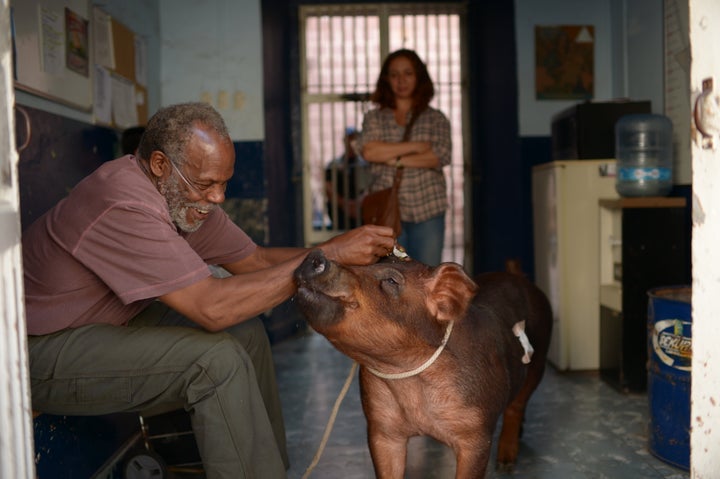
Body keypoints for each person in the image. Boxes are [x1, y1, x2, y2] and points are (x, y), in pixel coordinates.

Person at [22, 102, 395, 479]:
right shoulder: (122, 202)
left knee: (245, 333)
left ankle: (269, 471)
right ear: (160, 166)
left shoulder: (184, 198)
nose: (217, 198)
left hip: (106, 326)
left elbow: (256, 261)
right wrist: (326, 254)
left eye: (224, 183)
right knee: (215, 362)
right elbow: (211, 308)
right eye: (205, 184)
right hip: (39, 352)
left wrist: (335, 258)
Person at [359, 49, 452, 266]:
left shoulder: (435, 119)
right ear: (386, 80)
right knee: (389, 278)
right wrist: (418, 147)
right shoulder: (374, 118)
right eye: (394, 74)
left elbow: (439, 156)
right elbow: (370, 152)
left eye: (408, 73)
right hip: (386, 215)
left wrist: (394, 158)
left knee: (426, 279)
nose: (401, 80)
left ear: (419, 77)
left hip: (427, 211)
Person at [324, 127, 369, 230]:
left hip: (361, 212)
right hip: (340, 213)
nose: (351, 144)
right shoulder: (334, 165)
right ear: (344, 141)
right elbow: (328, 189)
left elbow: (371, 188)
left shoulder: (366, 165)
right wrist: (345, 204)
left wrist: (358, 205)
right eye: (349, 140)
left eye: (355, 140)